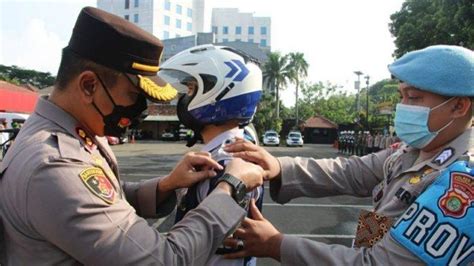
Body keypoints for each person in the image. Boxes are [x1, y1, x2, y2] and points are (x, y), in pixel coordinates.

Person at [0, 7, 265, 265]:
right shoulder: (54, 166)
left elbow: (105, 197)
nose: (141, 109)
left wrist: (166, 185)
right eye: (134, 95)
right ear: (89, 85)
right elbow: (165, 259)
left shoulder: (73, 131)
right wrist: (230, 188)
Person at [222, 45, 473, 265]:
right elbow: (352, 172)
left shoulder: (462, 184)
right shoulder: (413, 151)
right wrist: (277, 166)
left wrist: (277, 245)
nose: (403, 107)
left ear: (459, 106)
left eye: (414, 98)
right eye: (402, 96)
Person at [159, 44, 264, 266]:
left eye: (190, 90)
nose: (184, 99)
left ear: (219, 93)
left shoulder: (225, 162)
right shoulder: (235, 146)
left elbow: (221, 253)